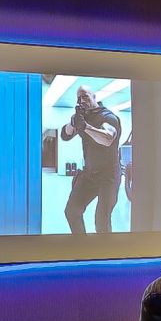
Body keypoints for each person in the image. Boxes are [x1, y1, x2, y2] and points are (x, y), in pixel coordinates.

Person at [60, 86, 122, 234]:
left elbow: (108, 138)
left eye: (85, 96)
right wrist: (73, 123)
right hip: (89, 174)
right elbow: (65, 135)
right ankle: (82, 244)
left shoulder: (108, 116)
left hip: (109, 176)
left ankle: (104, 248)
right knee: (72, 211)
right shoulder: (83, 117)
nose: (82, 101)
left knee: (102, 220)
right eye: (79, 98)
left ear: (94, 97)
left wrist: (85, 127)